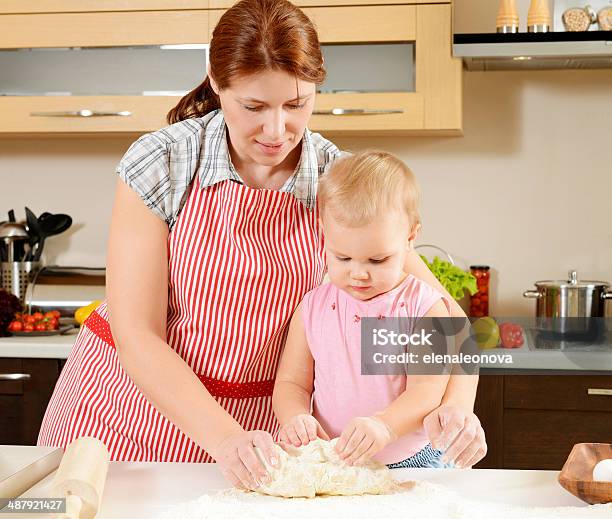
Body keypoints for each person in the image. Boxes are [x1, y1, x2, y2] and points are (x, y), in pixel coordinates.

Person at [37, 0, 485, 491]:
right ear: (216, 80)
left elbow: (444, 323)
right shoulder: (164, 161)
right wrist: (226, 438)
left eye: (297, 105)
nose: (276, 131)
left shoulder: (335, 177)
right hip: (129, 412)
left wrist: (457, 410)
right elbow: (137, 335)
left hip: (266, 427)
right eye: (253, 106)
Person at [273, 150, 456, 469]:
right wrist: (296, 416)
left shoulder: (425, 308)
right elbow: (291, 383)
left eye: (377, 260)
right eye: (342, 258)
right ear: (323, 235)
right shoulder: (312, 307)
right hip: (335, 461)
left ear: (411, 237)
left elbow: (427, 392)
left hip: (411, 460)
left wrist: (385, 426)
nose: (358, 273)